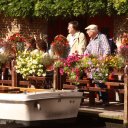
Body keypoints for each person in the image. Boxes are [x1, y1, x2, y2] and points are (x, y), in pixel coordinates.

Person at [84, 24, 111, 106]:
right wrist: (84, 56)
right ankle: (100, 99)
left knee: (101, 81)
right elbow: (87, 49)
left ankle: (105, 100)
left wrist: (102, 60)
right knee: (96, 81)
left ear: (93, 31)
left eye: (88, 30)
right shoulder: (91, 39)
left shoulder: (101, 37)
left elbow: (107, 49)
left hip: (100, 64)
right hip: (93, 64)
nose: (87, 32)